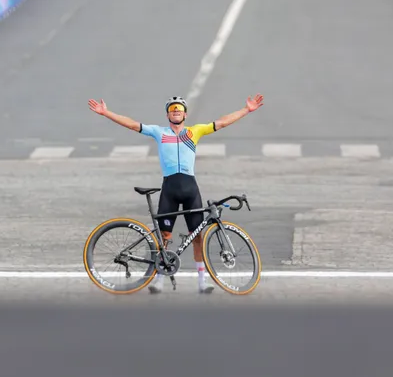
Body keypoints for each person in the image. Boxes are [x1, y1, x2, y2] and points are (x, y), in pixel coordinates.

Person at [88, 94, 264, 294]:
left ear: (185, 115)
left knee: (197, 236)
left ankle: (201, 282)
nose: (176, 112)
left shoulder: (194, 132)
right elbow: (132, 125)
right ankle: (160, 281)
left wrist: (246, 110)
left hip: (190, 189)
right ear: (167, 115)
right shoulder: (159, 132)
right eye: (173, 110)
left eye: (179, 110)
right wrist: (106, 113)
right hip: (170, 189)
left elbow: (222, 123)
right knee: (164, 236)